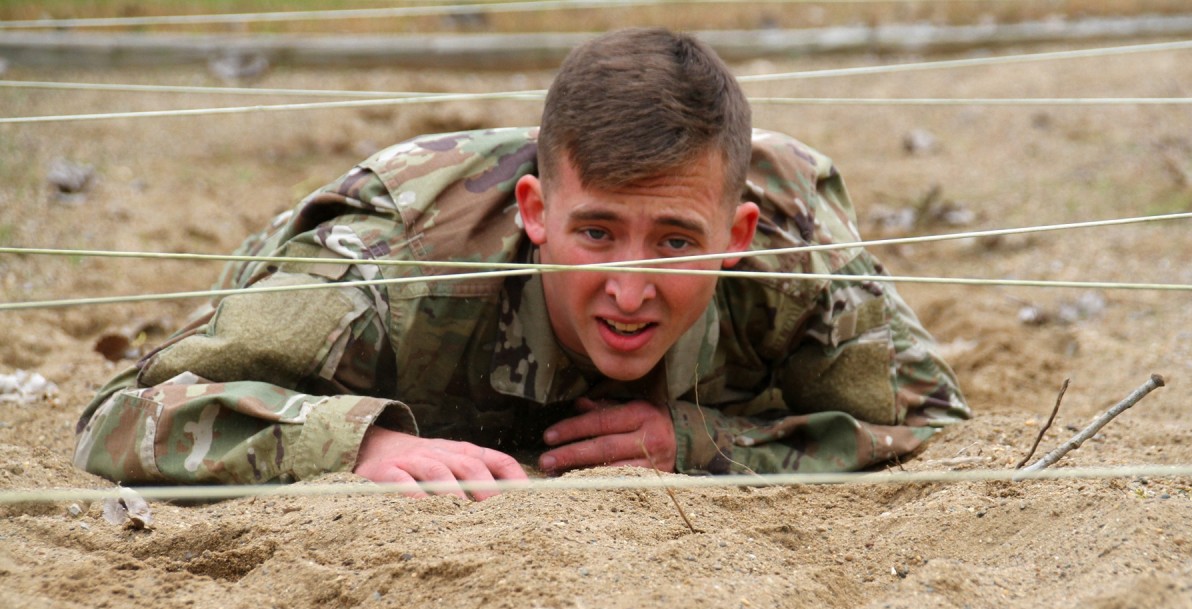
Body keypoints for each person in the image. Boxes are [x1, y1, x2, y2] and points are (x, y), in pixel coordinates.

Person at [75, 28, 969, 499]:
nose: (628, 288)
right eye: (596, 233)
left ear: (734, 234)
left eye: (674, 243)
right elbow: (123, 418)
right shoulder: (391, 260)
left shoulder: (789, 239)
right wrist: (356, 446)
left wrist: (706, 445)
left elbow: (941, 435)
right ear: (535, 213)